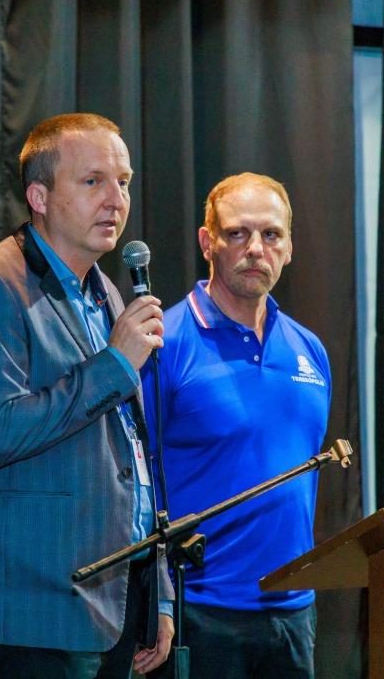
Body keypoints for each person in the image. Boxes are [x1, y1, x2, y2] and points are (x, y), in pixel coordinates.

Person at [0, 112, 174, 678]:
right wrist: (114, 363)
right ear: (39, 196)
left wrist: (160, 589)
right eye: (93, 181)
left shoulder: (107, 293)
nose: (116, 199)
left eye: (124, 182)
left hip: (118, 598)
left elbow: (132, 455)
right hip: (36, 607)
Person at [142, 172, 331, 678]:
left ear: (289, 248)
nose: (255, 249)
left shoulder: (310, 350)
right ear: (208, 243)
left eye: (271, 234)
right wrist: (157, 601)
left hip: (294, 614)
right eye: (237, 233)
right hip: (200, 614)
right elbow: (135, 484)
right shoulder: (164, 344)